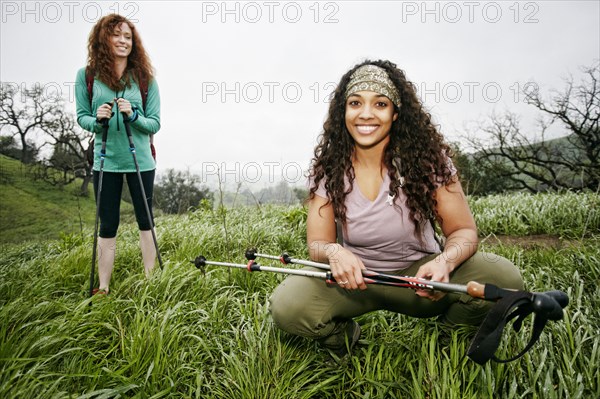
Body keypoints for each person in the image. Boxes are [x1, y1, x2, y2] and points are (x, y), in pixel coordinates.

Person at [269, 60, 523, 357]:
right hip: (356, 281)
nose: (366, 114)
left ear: (395, 113)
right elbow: (318, 244)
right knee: (287, 307)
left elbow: (463, 231)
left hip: (420, 281)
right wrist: (336, 252)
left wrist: (445, 262)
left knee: (504, 278)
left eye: (379, 103)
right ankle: (344, 341)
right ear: (343, 112)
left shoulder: (430, 161)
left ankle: (452, 340)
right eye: (355, 103)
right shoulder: (328, 171)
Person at [75, 14, 161, 294]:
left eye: (128, 36)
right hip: (104, 161)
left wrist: (133, 115)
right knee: (107, 225)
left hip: (141, 162)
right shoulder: (87, 77)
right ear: (104, 39)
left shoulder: (145, 79)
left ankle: (151, 282)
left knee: (145, 222)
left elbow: (155, 123)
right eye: (117, 35)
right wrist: (97, 119)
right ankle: (103, 287)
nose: (124, 41)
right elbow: (82, 117)